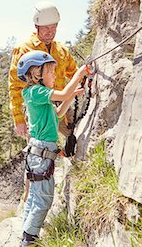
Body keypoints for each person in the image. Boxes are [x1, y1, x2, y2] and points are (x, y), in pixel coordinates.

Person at [16, 50, 89, 246]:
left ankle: (26, 233)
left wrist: (71, 95)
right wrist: (78, 74)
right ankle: (29, 241)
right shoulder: (35, 92)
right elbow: (63, 93)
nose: (54, 76)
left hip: (39, 153)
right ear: (37, 74)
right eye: (51, 72)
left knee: (34, 196)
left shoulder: (36, 95)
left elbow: (57, 114)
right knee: (44, 200)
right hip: (41, 154)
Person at [8, 1, 78, 139]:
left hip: (62, 105)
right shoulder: (24, 49)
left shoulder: (61, 50)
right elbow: (15, 87)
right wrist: (19, 119)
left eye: (54, 27)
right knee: (40, 150)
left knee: (73, 142)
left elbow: (73, 72)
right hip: (37, 110)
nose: (50, 32)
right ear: (37, 26)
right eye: (46, 28)